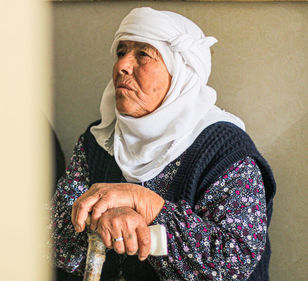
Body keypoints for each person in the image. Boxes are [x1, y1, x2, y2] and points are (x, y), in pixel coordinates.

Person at [51, 7, 275, 281]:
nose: (122, 65)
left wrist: (146, 207)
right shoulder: (99, 140)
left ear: (180, 72)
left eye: (143, 54)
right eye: (121, 52)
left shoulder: (224, 150)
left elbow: (234, 259)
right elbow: (52, 239)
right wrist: (97, 220)